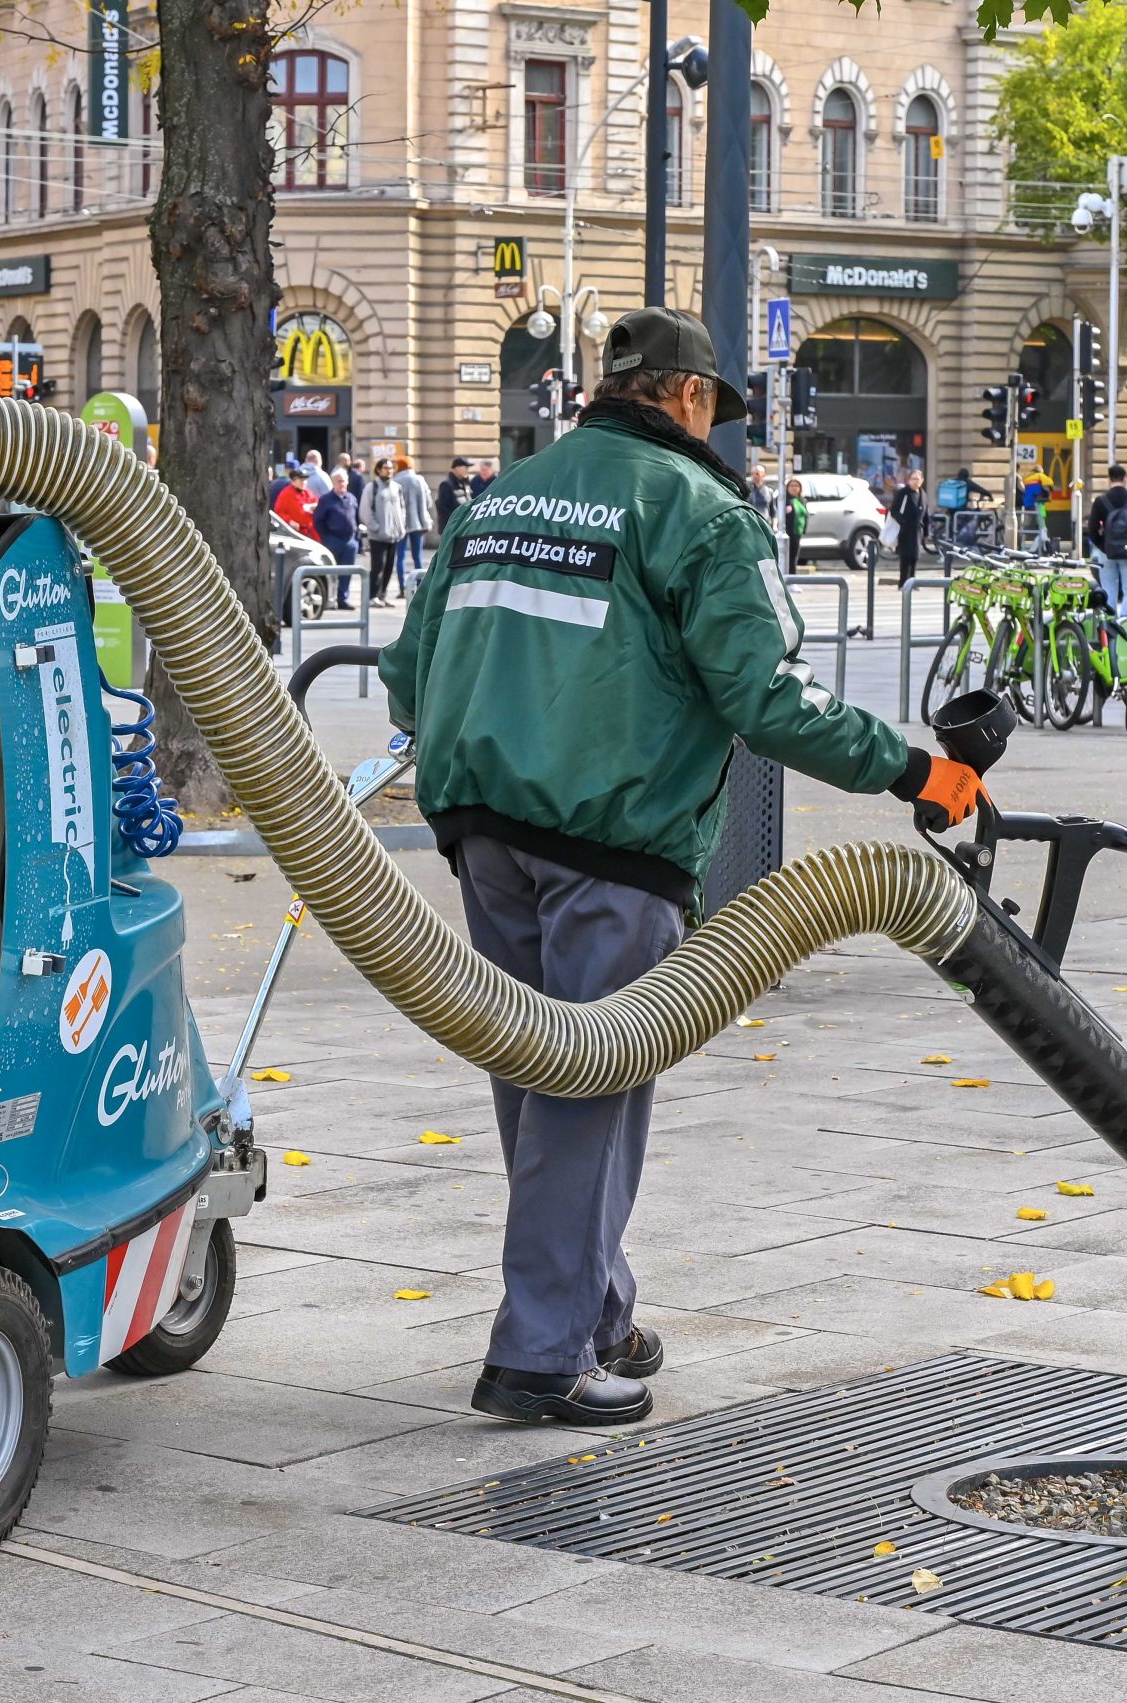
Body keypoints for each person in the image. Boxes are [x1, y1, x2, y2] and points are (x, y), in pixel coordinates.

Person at [378, 306, 985, 1428]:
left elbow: (408, 668)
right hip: (613, 838)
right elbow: (764, 697)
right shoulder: (701, 512)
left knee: (534, 1074)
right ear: (690, 397)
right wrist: (910, 771)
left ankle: (594, 1306)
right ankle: (538, 1353)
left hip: (480, 827)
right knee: (590, 1081)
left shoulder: (501, 496)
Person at [1083, 463, 1127, 619]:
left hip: (1107, 552)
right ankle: (1125, 620)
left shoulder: (1100, 501)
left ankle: (1111, 622)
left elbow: (1092, 530)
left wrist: (1104, 546)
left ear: (1109, 479)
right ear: (1125, 479)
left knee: (1108, 588)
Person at [315, 469, 361, 608]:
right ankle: (330, 600)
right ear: (333, 483)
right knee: (331, 571)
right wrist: (326, 537)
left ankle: (343, 598)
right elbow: (318, 521)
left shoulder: (351, 498)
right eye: (339, 481)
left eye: (344, 481)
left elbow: (356, 519)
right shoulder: (326, 500)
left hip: (350, 542)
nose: (342, 484)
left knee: (346, 572)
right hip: (333, 540)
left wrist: (356, 537)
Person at [361, 456, 404, 603]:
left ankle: (383, 595)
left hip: (394, 536)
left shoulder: (397, 487)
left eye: (391, 468)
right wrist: (375, 527)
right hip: (378, 536)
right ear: (379, 470)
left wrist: (401, 527)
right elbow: (365, 511)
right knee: (377, 567)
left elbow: (402, 509)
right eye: (386, 468)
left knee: (389, 568)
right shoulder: (371, 488)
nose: (389, 471)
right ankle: (372, 595)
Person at [393, 455, 434, 593]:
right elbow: (429, 502)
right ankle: (420, 585)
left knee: (401, 556)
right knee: (418, 556)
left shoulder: (395, 481)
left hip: (401, 524)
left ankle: (402, 587)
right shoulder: (420, 480)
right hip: (419, 522)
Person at [888, 467, 927, 585]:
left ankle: (912, 582)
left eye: (917, 479)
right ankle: (903, 581)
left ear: (922, 481)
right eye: (913, 478)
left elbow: (926, 514)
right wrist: (902, 521)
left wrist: (926, 532)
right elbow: (894, 510)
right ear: (909, 480)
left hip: (917, 531)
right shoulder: (903, 493)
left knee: (914, 557)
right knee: (905, 557)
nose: (915, 481)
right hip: (905, 530)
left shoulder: (923, 494)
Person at [272, 467, 319, 539]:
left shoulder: (308, 492)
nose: (304, 482)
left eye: (305, 480)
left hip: (311, 532)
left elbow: (317, 504)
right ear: (293, 481)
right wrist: (289, 521)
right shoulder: (286, 494)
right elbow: (278, 513)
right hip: (295, 533)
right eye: (301, 480)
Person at [436, 457, 475, 532]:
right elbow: (442, 508)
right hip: (452, 528)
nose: (467, 470)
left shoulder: (466, 483)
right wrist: (455, 521)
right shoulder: (447, 485)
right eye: (465, 467)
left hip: (465, 526)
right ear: (457, 468)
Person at [781, 476, 809, 572]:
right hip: (788, 532)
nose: (794, 488)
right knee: (788, 557)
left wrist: (804, 529)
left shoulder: (802, 500)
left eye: (796, 486)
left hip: (798, 532)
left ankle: (792, 577)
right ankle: (789, 577)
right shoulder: (784, 500)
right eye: (792, 485)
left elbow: (805, 515)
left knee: (794, 557)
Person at [1019, 470, 1049, 549]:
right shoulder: (1037, 486)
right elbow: (1038, 497)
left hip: (1027, 506)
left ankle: (1020, 542)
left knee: (1025, 526)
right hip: (1034, 507)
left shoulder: (1029, 484)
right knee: (1041, 525)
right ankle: (1041, 547)